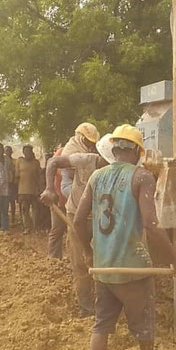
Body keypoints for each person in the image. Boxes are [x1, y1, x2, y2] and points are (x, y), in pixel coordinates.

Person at [74, 125, 176, 350]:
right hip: (134, 269)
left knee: (101, 324)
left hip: (104, 269)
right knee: (145, 324)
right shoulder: (142, 177)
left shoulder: (96, 177)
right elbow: (151, 224)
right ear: (138, 151)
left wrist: (88, 250)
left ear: (114, 150)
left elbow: (79, 220)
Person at [41, 134, 113, 315]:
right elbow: (52, 162)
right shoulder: (85, 160)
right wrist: (50, 188)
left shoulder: (118, 170)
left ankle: (104, 305)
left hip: (101, 218)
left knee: (103, 261)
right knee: (80, 262)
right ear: (102, 156)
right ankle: (86, 306)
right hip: (75, 215)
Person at [15, 144, 41, 234]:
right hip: (22, 191)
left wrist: (39, 190)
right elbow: (16, 177)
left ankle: (36, 227)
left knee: (35, 211)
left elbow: (39, 177)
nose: (28, 153)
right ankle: (27, 227)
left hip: (34, 191)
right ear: (23, 152)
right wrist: (17, 192)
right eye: (26, 151)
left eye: (29, 151)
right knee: (24, 210)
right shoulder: (19, 162)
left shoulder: (36, 163)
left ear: (32, 152)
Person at [4, 146, 18, 225]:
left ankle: (13, 218)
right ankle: (6, 219)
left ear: (11, 152)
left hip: (12, 183)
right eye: (6, 151)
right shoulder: (2, 161)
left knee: (12, 201)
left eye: (9, 150)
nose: (7, 152)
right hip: (5, 184)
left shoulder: (15, 161)